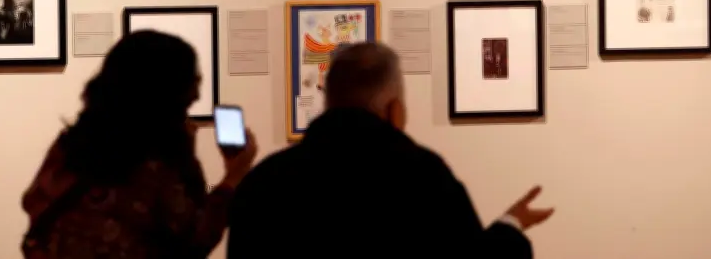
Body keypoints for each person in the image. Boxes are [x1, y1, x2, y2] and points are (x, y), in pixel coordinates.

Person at [227, 42, 553, 258]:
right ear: (395, 110)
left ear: (327, 104)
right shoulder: (424, 176)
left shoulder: (267, 180)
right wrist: (510, 227)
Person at [20, 30, 258, 258]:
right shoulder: (156, 165)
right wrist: (234, 177)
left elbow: (34, 203)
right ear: (163, 90)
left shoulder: (71, 146)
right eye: (192, 81)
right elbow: (195, 239)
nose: (196, 95)